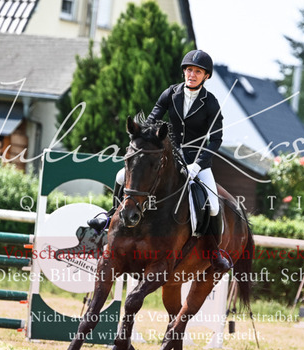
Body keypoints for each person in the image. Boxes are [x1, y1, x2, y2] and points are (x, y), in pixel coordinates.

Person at [87, 49, 230, 272]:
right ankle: (110, 216)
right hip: (169, 156)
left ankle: (214, 253)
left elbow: (217, 139)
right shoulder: (171, 93)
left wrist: (198, 164)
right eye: (189, 70)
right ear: (184, 72)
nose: (192, 75)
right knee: (121, 176)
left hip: (197, 160)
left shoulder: (210, 103)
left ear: (206, 76)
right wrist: (144, 137)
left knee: (212, 205)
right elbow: (152, 119)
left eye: (197, 72)